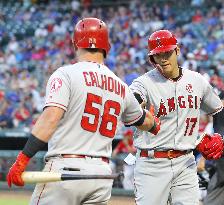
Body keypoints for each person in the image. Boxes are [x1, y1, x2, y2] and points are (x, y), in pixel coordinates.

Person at [6, 17, 161, 205]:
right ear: (107, 46)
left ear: (75, 44)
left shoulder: (66, 74)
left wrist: (23, 158)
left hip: (66, 169)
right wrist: (152, 121)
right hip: (101, 175)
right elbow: (147, 123)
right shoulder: (122, 86)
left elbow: (50, 119)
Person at [129, 29, 224, 205]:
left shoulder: (197, 81)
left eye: (167, 52)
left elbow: (219, 111)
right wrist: (135, 104)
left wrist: (219, 134)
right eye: (158, 55)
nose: (163, 58)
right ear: (152, 58)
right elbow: (134, 97)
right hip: (152, 164)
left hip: (185, 162)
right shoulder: (143, 83)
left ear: (177, 51)